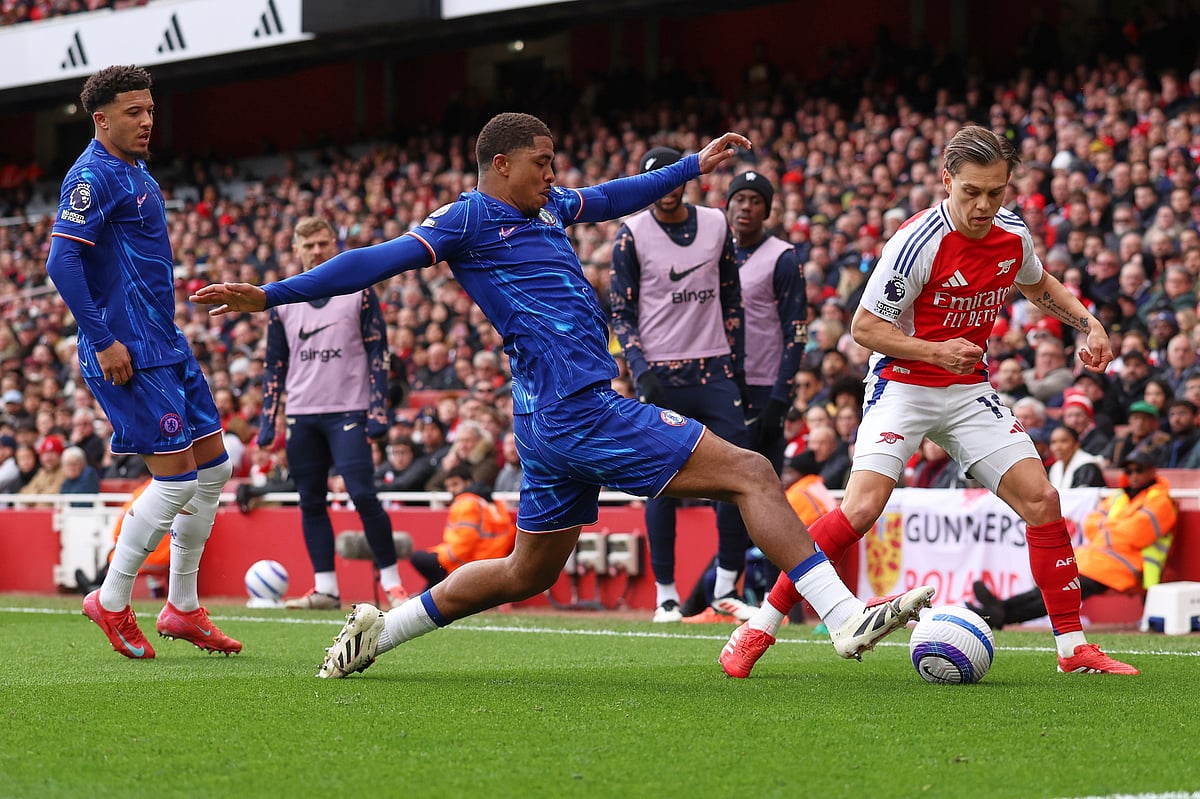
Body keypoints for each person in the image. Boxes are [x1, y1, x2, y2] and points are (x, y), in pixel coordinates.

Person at [192, 112, 932, 679]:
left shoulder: (544, 207)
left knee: (527, 571)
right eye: (542, 164)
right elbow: (369, 262)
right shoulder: (467, 219)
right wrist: (271, 295)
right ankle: (843, 618)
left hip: (547, 417)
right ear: (501, 163)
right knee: (752, 471)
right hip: (577, 408)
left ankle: (378, 632)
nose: (554, 175)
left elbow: (613, 195)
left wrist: (688, 168)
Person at [720, 125, 1138, 678]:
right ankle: (759, 627)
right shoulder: (916, 242)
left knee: (1042, 500)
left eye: (996, 191)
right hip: (904, 385)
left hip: (966, 390)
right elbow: (865, 327)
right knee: (861, 508)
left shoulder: (1013, 233)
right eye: (971, 192)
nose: (984, 205)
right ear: (947, 182)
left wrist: (1089, 323)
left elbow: (1040, 287)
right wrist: (935, 352)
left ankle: (1072, 650)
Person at [45, 65, 239, 659]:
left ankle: (182, 608)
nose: (148, 120)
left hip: (165, 341)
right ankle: (110, 597)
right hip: (127, 350)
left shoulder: (136, 172)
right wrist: (103, 339)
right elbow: (61, 263)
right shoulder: (92, 177)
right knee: (177, 477)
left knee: (214, 471)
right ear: (101, 119)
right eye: (134, 112)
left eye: (150, 109)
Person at [608, 145, 758, 623]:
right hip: (661, 372)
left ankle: (726, 588)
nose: (666, 193)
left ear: (684, 180)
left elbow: (732, 297)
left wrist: (737, 364)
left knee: (741, 473)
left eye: (672, 181)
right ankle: (666, 594)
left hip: (714, 368)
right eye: (656, 183)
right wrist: (638, 368)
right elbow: (621, 313)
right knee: (661, 484)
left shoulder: (717, 223)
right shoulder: (631, 233)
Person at [258, 216, 408, 611]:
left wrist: (378, 409)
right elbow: (274, 362)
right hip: (302, 413)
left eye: (323, 243)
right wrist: (266, 417)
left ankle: (392, 583)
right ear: (296, 249)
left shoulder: (357, 291)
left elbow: (379, 351)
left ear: (334, 243)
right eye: (309, 245)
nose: (317, 251)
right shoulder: (285, 298)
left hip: (348, 410)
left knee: (363, 495)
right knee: (310, 500)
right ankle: (326, 588)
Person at [971, 446, 1177, 628]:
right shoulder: (1120, 497)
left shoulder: (1160, 500)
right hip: (1095, 561)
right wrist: (1113, 529)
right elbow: (1091, 523)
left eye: (1139, 470)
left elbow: (1136, 534)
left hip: (1121, 568)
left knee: (1060, 592)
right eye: (1128, 470)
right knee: (1052, 587)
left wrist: (1107, 527)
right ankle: (999, 611)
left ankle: (999, 613)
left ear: (1151, 471)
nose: (1133, 475)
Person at [725, 170, 806, 470]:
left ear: (767, 210)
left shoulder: (783, 257)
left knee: (761, 483)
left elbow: (796, 333)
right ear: (728, 205)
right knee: (723, 485)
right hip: (721, 382)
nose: (746, 207)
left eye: (756, 201)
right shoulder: (715, 253)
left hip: (763, 385)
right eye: (740, 199)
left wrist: (779, 398)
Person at [404, 463, 517, 591]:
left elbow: (464, 545)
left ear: (468, 483)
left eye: (455, 484)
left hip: (470, 563)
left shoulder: (466, 503)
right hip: (494, 562)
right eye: (448, 486)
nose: (451, 490)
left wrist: (445, 564)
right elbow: (509, 534)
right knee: (433, 578)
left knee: (418, 558)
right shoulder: (494, 503)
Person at [1045, 425, 1105, 490]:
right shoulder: (1055, 467)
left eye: (1064, 441)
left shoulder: (1087, 467)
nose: (1057, 447)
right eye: (1053, 442)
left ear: (1076, 444)